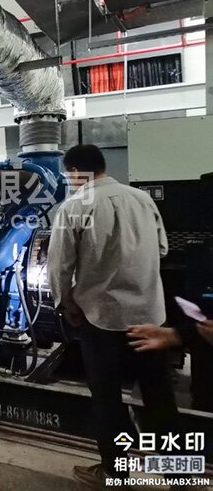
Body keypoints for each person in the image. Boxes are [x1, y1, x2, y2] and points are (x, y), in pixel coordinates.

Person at [47, 144, 179, 489]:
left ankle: (115, 473)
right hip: (150, 318)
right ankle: (182, 474)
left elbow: (59, 267)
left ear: (75, 171)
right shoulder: (142, 199)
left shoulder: (73, 207)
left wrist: (67, 305)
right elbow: (162, 248)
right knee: (160, 398)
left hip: (102, 318)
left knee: (108, 400)